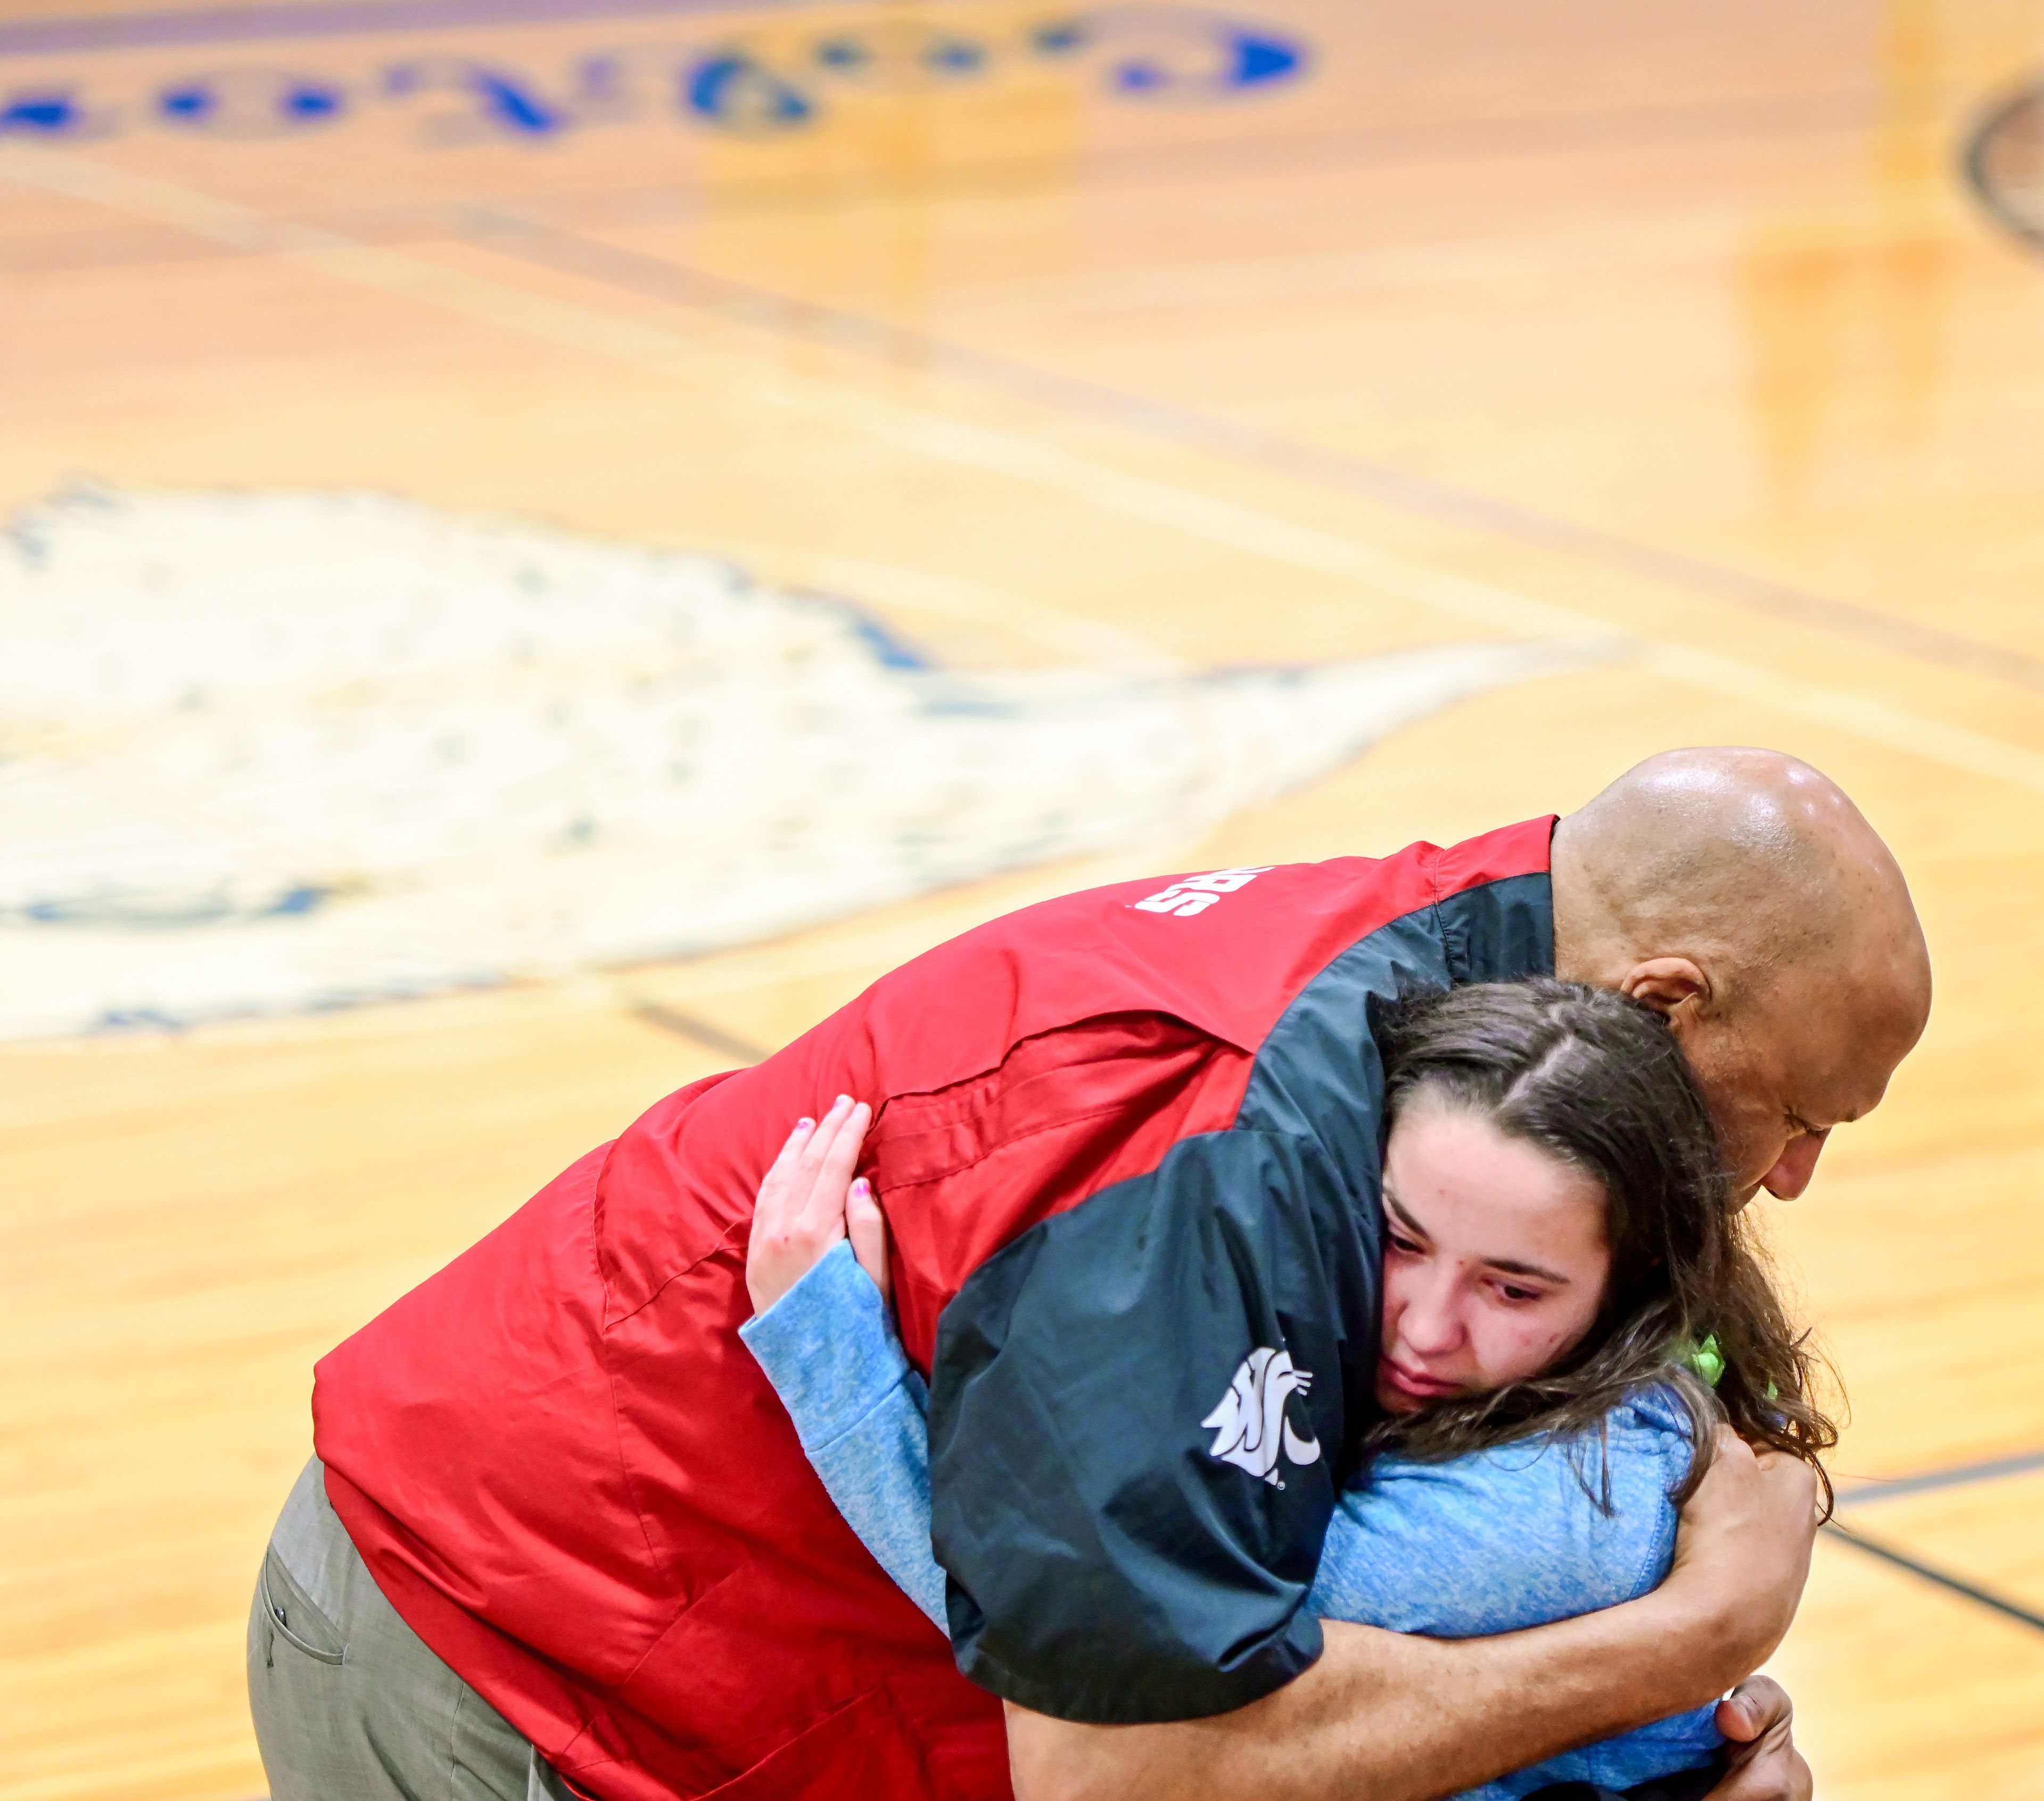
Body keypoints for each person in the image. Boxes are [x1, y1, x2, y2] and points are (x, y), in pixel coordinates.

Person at [250, 748, 1930, 1801]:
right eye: (1792, 1112)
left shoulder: (1484, 1039)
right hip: (520, 1667)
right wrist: (1694, 1633)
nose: (1790, 1177)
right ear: (1659, 1000)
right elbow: (1132, 1765)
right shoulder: (1251, 1156)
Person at [739, 980, 1839, 1801]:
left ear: (1629, 1294)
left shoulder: (1567, 1502)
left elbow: (1097, 1651)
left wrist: (829, 1353)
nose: (1423, 1323)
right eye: (1400, 1238)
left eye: (1514, 1288)